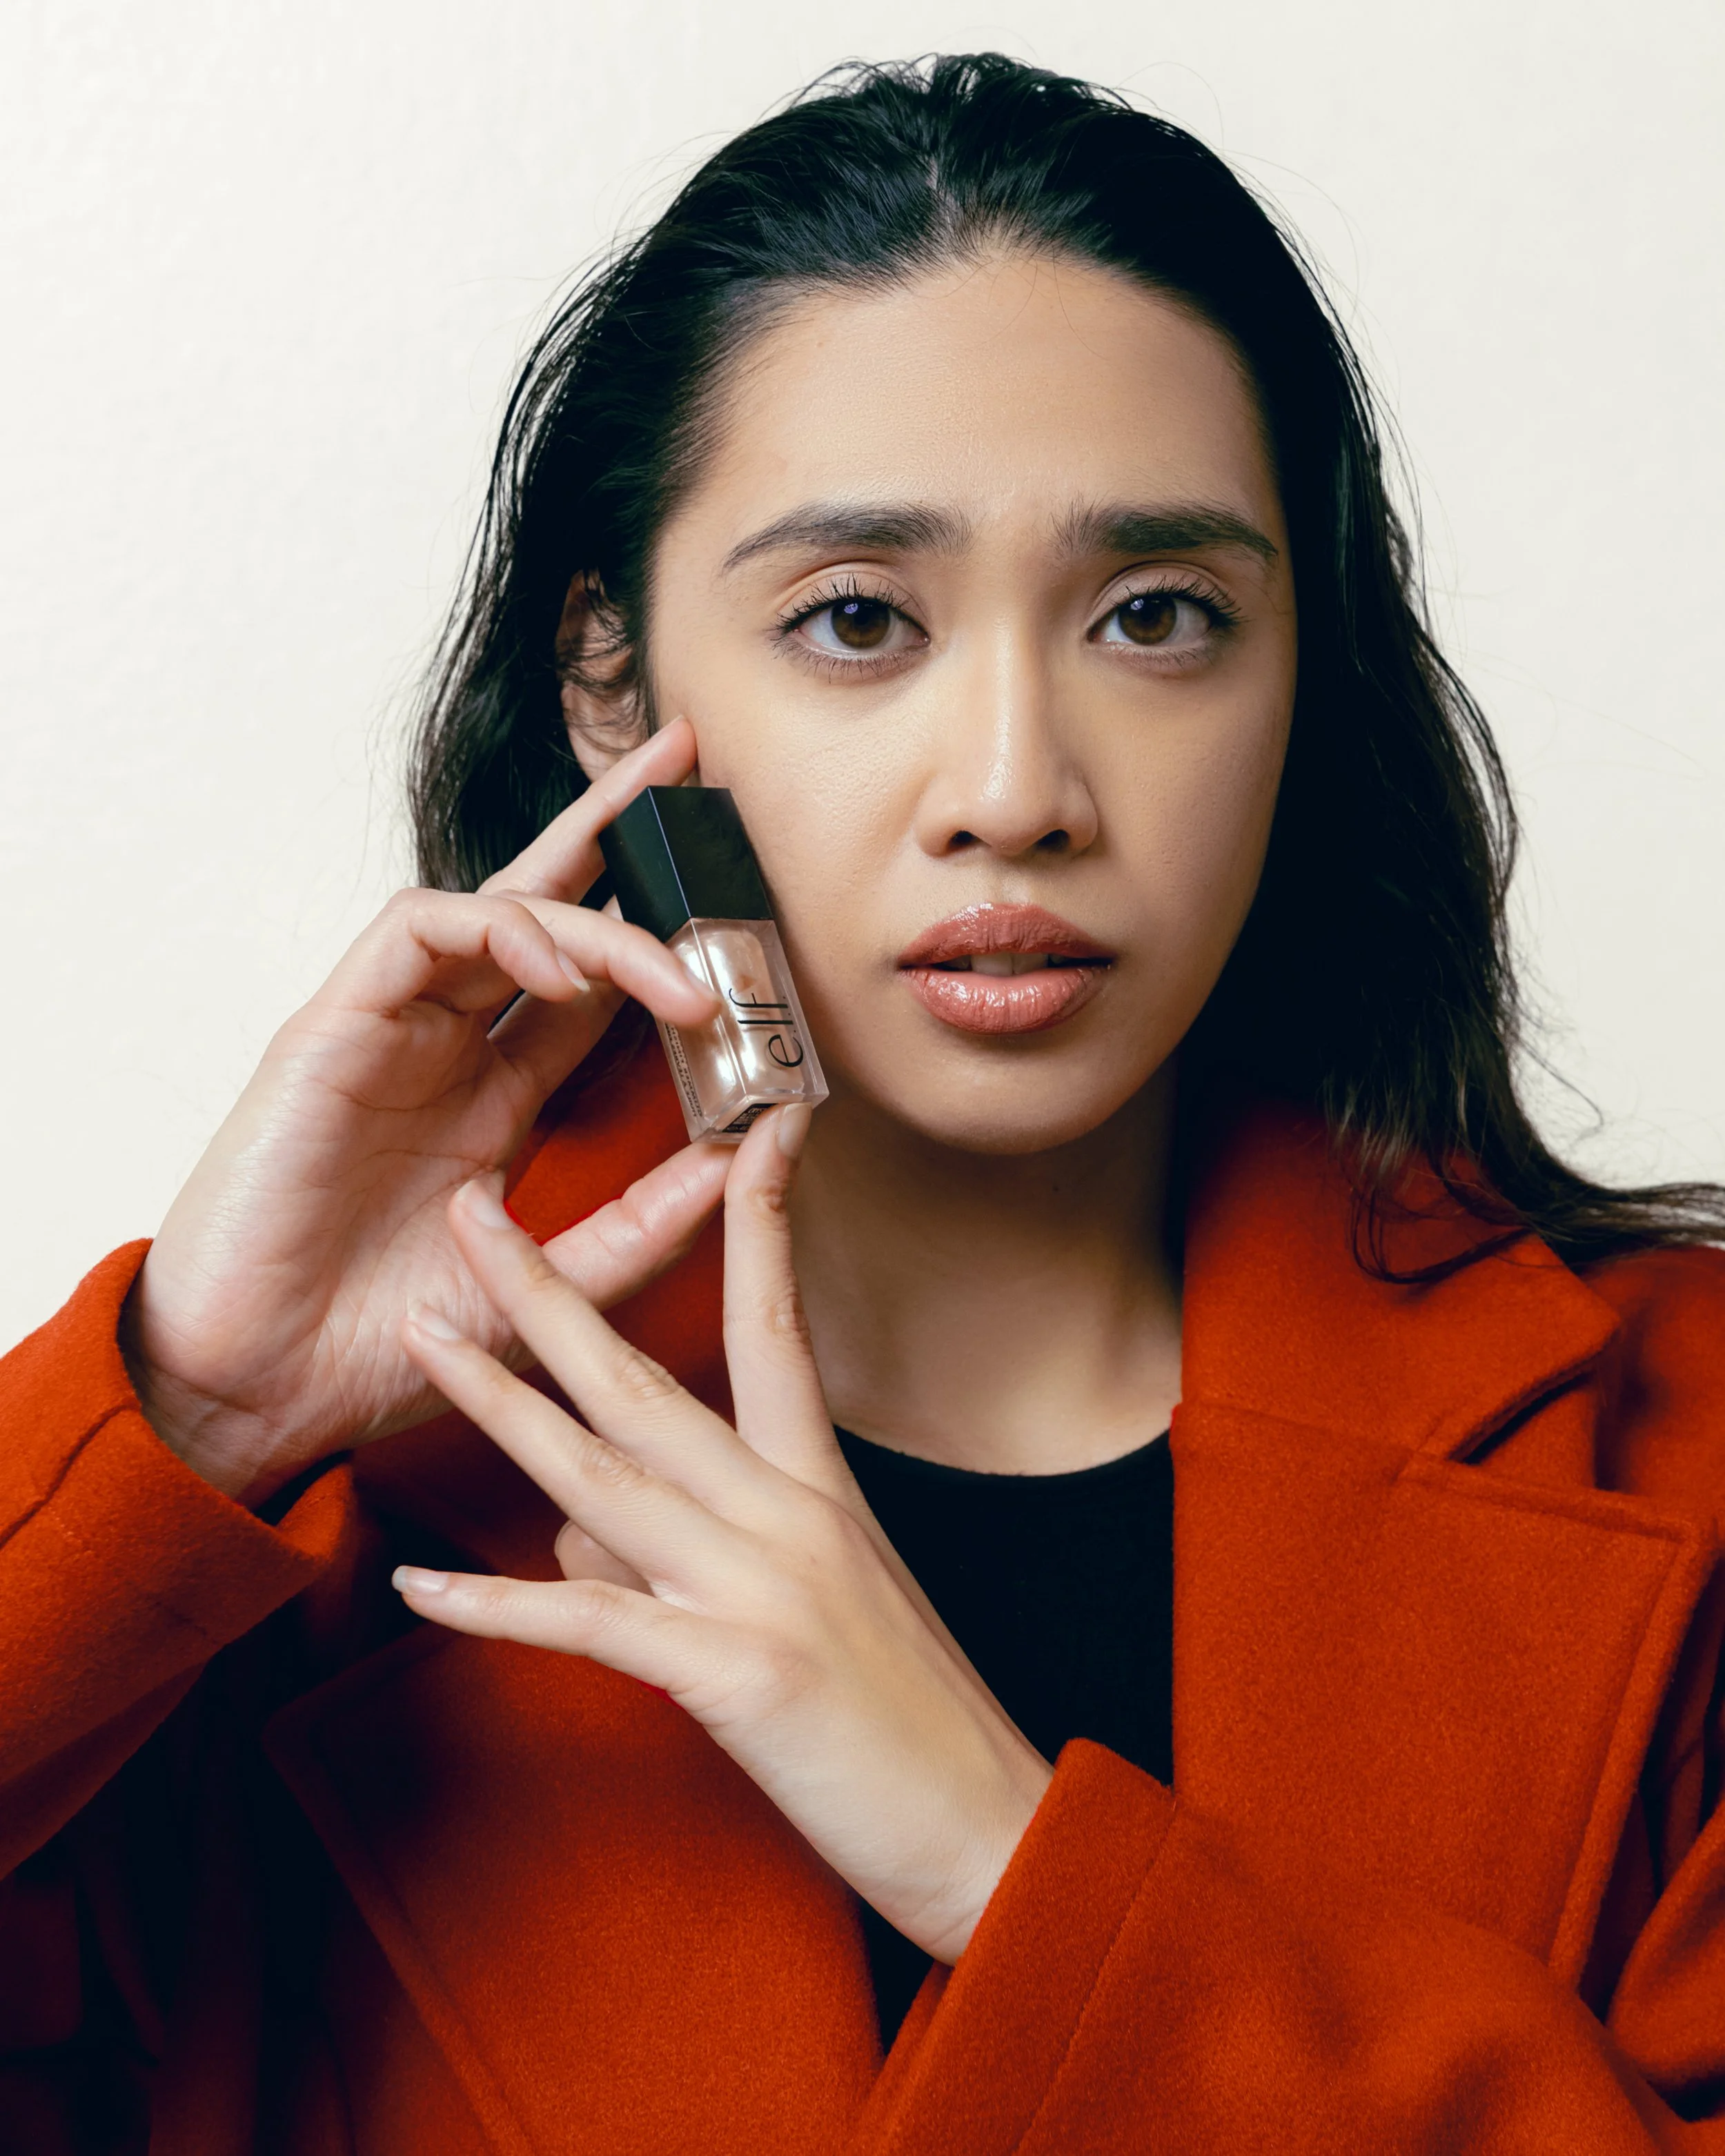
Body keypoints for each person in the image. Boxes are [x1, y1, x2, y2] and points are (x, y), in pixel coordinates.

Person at [3, 50, 1722, 2155]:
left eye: (1155, 616)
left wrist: (1005, 1865)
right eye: (853, 621)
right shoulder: (304, 1520)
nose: (1013, 782)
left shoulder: (1682, 1441)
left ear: (1305, 677)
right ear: (612, 685)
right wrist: (182, 1414)